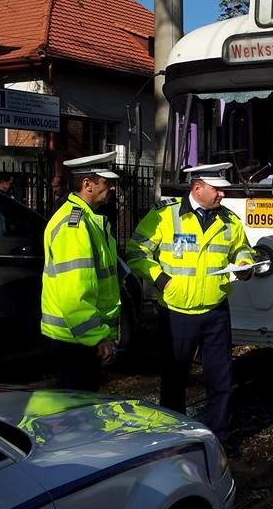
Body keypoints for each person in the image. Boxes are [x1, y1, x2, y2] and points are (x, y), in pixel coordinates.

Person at [126, 162, 256, 442]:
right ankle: (175, 439)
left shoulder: (229, 220)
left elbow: (243, 248)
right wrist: (162, 281)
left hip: (215, 310)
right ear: (198, 188)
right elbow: (136, 250)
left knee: (221, 380)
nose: (222, 196)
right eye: (217, 190)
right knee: (174, 381)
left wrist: (245, 263)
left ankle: (220, 438)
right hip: (177, 312)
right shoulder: (165, 216)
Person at [41, 151, 121, 391]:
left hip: (76, 337)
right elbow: (74, 295)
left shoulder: (87, 219)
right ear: (87, 184)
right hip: (75, 340)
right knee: (79, 417)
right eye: (107, 183)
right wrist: (96, 336)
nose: (113, 188)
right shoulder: (75, 224)